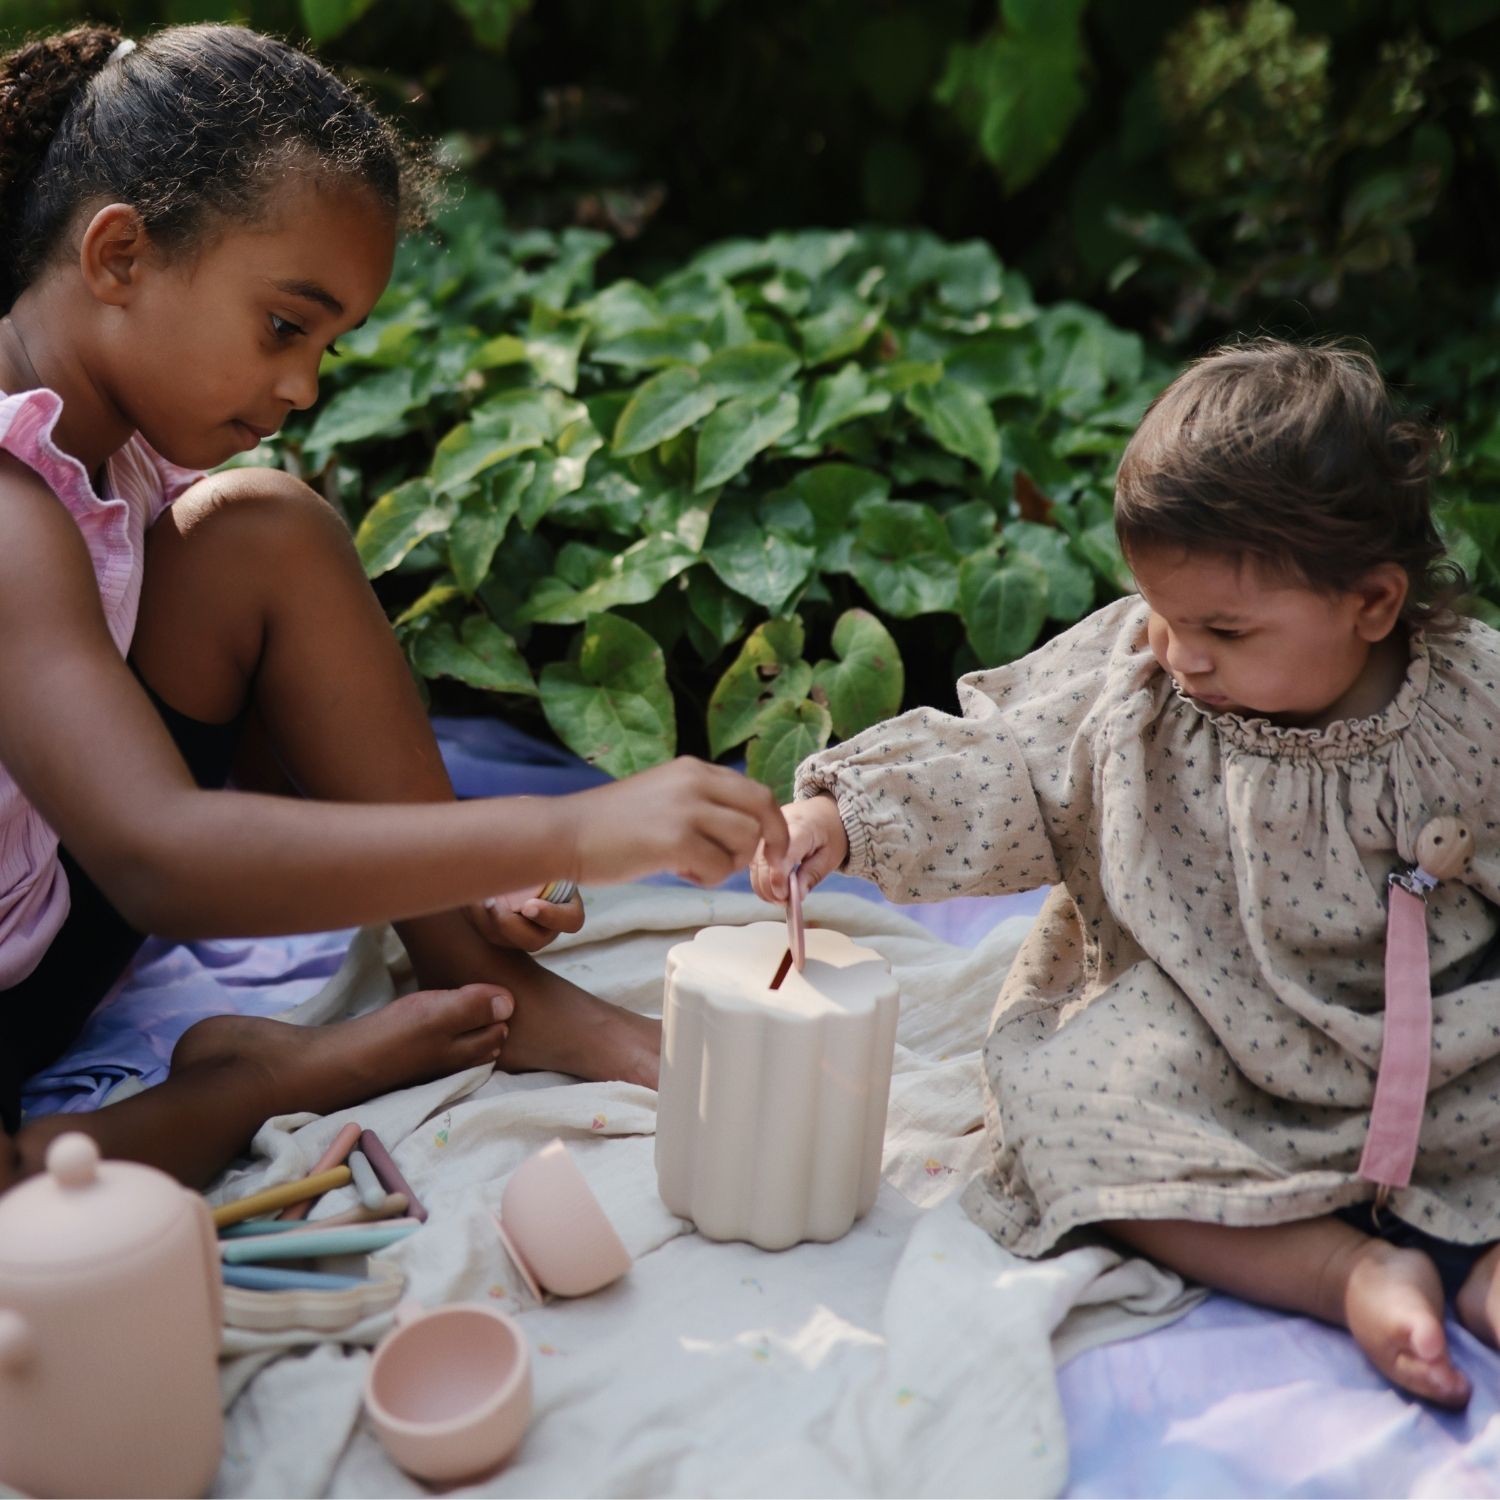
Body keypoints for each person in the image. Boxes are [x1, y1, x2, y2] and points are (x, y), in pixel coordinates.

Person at [0, 22, 786, 1194]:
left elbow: (246, 777)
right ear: (119, 255)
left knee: (261, 527)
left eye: (327, 343)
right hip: (67, 942)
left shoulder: (111, 452)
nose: (302, 386)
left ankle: (484, 979)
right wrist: (571, 827)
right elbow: (166, 854)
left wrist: (454, 880)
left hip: (51, 919)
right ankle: (255, 1083)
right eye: (284, 325)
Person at [754, 338, 1500, 1409]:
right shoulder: (1139, 680)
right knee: (1063, 1111)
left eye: (1224, 629)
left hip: (1441, 1045)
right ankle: (1345, 1269)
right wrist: (841, 815)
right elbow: (1009, 765)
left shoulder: (1472, 706)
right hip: (1206, 1022)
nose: (1181, 652)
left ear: (1372, 604)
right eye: (1161, 609)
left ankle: (1487, 1271)